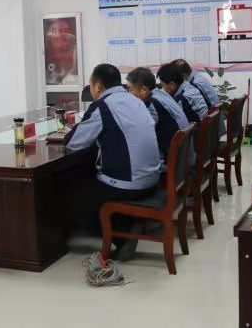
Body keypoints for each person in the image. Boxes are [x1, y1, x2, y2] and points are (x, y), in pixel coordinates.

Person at [64, 63, 161, 261]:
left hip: (130, 185)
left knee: (74, 201)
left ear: (98, 86)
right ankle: (126, 225)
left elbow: (73, 143)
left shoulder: (103, 105)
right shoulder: (135, 100)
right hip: (152, 179)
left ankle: (123, 237)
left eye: (91, 85)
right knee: (95, 184)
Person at [126, 66, 189, 159]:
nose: (127, 94)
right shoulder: (161, 94)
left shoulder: (151, 104)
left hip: (171, 160)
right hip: (183, 155)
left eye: (130, 89)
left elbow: (141, 134)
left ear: (143, 90)